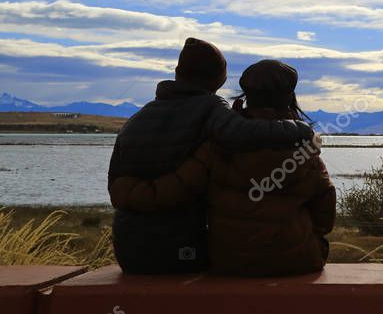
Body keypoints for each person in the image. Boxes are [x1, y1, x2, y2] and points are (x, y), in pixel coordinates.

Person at [109, 59, 335, 276]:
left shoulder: (216, 147)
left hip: (228, 261)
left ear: (246, 96)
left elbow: (178, 189)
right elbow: (325, 213)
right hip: (299, 259)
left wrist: (127, 189)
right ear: (289, 98)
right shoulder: (306, 153)